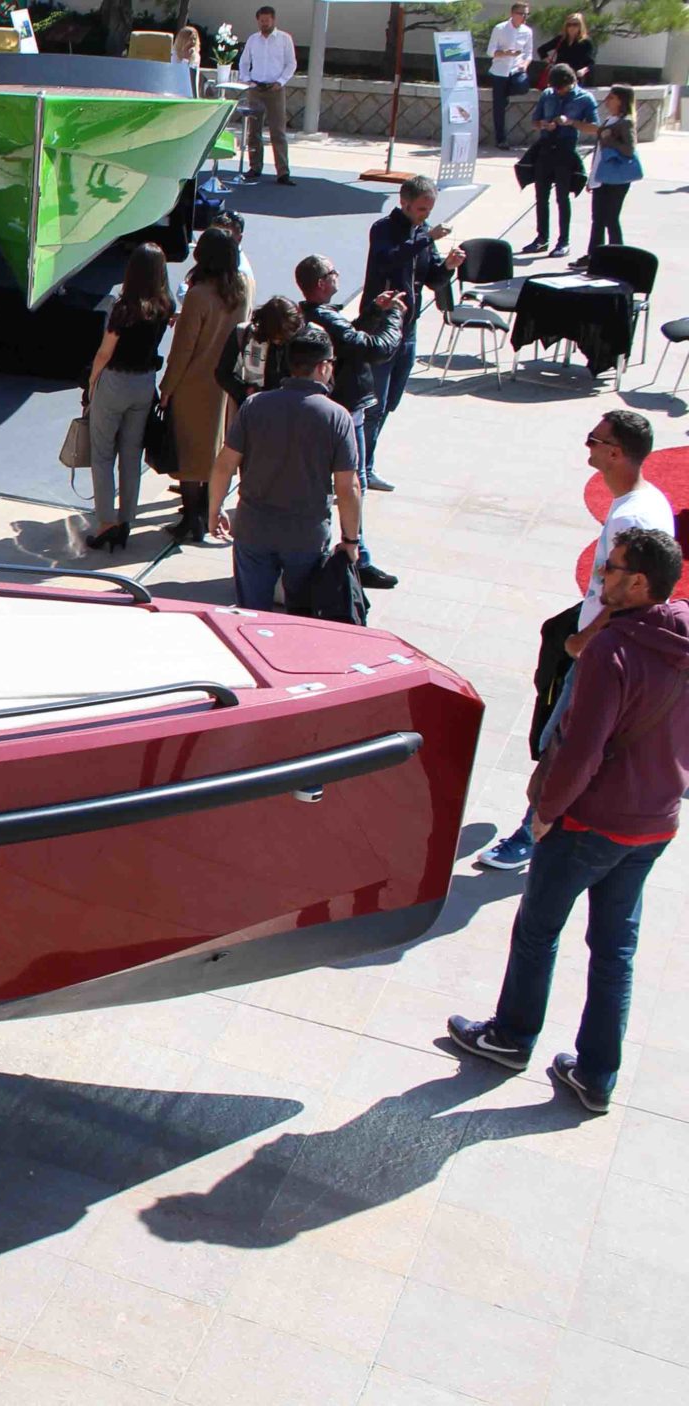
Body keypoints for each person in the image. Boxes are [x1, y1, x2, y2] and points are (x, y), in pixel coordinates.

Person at [450, 526, 689, 1114]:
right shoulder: (680, 636)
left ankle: (511, 1037)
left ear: (640, 582)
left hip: (590, 822)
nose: (601, 575)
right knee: (615, 950)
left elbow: (582, 749)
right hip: (655, 822)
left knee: (538, 931)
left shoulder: (612, 649)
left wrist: (545, 813)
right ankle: (597, 1075)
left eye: (612, 568)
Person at [480, 411, 673, 871]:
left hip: (603, 646)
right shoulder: (642, 501)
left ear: (615, 453)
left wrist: (584, 640)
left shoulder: (632, 516)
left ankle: (531, 834)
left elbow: (625, 594)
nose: (587, 446)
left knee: (562, 741)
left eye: (593, 439)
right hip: (611, 640)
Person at [207, 327, 365, 614]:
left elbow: (224, 465)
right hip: (306, 535)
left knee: (249, 614)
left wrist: (214, 510)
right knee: (300, 618)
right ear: (323, 366)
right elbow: (348, 487)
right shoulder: (337, 417)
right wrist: (351, 540)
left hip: (254, 528)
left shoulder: (255, 405)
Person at [297, 254, 403, 588]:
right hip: (346, 411)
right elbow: (373, 348)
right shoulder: (325, 318)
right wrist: (394, 317)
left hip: (332, 408)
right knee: (353, 485)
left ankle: (342, 552)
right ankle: (357, 557)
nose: (338, 274)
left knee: (337, 485)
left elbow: (350, 338)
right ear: (321, 283)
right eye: (333, 272)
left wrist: (373, 312)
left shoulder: (315, 315)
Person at [359, 176, 466, 490]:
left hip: (408, 330)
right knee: (373, 405)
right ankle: (359, 469)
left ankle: (366, 463)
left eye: (428, 210)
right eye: (421, 209)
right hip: (380, 328)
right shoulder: (383, 229)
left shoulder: (423, 232)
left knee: (390, 401)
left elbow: (432, 279)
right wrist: (426, 238)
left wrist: (448, 266)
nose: (425, 215)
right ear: (404, 203)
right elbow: (387, 260)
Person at [81, 243, 172, 553]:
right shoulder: (165, 306)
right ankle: (126, 519)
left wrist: (91, 383)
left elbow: (105, 352)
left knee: (103, 453)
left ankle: (106, 522)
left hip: (115, 382)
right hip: (144, 383)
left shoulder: (123, 308)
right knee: (131, 453)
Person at [160, 228, 248, 545]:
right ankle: (205, 512)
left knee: (189, 455)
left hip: (193, 384)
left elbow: (183, 348)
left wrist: (167, 388)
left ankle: (191, 518)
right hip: (225, 385)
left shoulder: (199, 295)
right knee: (215, 452)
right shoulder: (241, 290)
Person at [525, 65, 596, 257]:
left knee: (562, 198)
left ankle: (564, 241)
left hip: (566, 151)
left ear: (572, 82)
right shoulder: (547, 95)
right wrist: (542, 125)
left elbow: (594, 127)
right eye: (555, 88)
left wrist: (571, 122)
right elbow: (534, 121)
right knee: (541, 196)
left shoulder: (585, 98)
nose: (558, 91)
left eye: (561, 88)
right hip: (545, 148)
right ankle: (541, 238)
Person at [235, 7, 298, 185]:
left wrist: (281, 81)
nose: (264, 24)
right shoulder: (253, 39)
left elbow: (291, 63)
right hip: (256, 88)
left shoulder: (284, 39)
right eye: (261, 21)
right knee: (254, 131)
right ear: (258, 21)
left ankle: (283, 172)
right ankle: (255, 167)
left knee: (278, 131)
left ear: (273, 20)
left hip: (275, 89)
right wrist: (247, 80)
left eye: (267, 20)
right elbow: (244, 62)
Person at [215, 294, 304, 408]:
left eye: (283, 338)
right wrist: (245, 390)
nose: (278, 341)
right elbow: (223, 374)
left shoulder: (303, 341)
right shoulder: (244, 334)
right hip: (255, 408)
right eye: (274, 336)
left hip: (292, 408)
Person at [584, 85, 642, 258]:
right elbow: (599, 152)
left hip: (617, 178)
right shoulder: (610, 119)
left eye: (611, 97)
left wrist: (609, 139)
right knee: (598, 219)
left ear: (621, 101)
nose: (607, 100)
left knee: (610, 218)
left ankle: (618, 256)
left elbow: (629, 150)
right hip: (602, 175)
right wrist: (592, 177)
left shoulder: (626, 122)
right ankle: (594, 256)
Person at [488, 4, 537, 149]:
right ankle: (501, 139)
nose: (524, 17)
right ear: (512, 13)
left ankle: (506, 93)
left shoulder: (527, 31)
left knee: (523, 87)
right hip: (500, 70)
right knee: (499, 107)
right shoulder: (500, 28)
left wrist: (525, 65)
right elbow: (490, 51)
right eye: (521, 13)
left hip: (516, 69)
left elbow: (528, 53)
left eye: (526, 14)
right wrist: (505, 53)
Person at [539, 10, 594, 85]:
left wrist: (583, 71)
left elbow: (590, 64)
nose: (571, 27)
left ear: (580, 26)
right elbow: (541, 50)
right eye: (569, 24)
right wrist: (551, 64)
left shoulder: (586, 42)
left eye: (575, 24)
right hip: (559, 76)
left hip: (575, 77)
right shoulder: (561, 39)